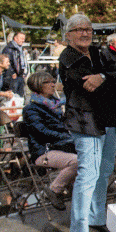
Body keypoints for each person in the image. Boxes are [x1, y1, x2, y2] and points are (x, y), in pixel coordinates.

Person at [59, 14, 116, 232]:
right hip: (84, 121)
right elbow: (85, 85)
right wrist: (104, 80)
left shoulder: (100, 52)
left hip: (108, 118)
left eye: (88, 29)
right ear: (68, 35)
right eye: (78, 29)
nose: (85, 33)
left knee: (104, 170)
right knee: (88, 173)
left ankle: (97, 218)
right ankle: (79, 229)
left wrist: (103, 77)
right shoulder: (67, 56)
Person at [22, 72, 75, 211]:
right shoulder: (31, 109)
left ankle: (79, 196)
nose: (53, 84)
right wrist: (67, 137)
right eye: (48, 82)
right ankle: (54, 190)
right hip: (43, 151)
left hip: (62, 148)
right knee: (79, 161)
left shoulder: (55, 106)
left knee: (92, 158)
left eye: (53, 81)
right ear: (37, 85)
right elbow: (41, 131)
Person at [2, 31, 28, 97]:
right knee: (13, 96)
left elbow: (23, 61)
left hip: (20, 75)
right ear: (15, 38)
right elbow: (6, 62)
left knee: (20, 96)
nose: (23, 40)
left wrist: (24, 72)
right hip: (13, 76)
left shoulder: (20, 48)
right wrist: (12, 72)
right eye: (21, 38)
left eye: (24, 39)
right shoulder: (8, 49)